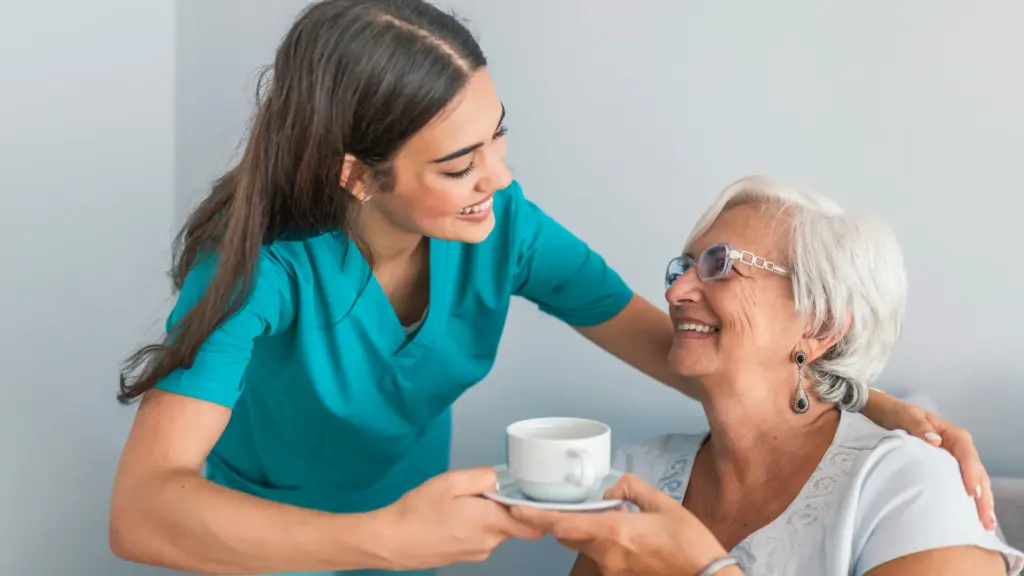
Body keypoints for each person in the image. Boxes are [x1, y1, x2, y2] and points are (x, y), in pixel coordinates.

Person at [108, 2, 993, 575]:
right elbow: (143, 512)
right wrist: (381, 538)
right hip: (256, 545)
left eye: (498, 136)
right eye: (460, 164)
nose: (499, 176)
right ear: (358, 175)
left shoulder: (504, 229)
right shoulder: (260, 269)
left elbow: (678, 343)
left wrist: (870, 402)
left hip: (412, 546)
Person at [512, 175, 1023, 576]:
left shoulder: (908, 483)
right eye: (683, 267)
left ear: (819, 321)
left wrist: (703, 570)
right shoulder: (637, 473)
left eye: (719, 265)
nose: (675, 292)